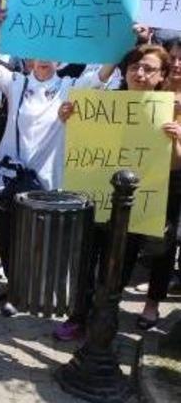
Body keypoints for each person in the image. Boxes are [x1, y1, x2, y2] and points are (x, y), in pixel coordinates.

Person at [0, 19, 106, 316]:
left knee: (41, 243)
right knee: (8, 236)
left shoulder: (69, 87)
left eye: (51, 54)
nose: (44, 60)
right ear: (29, 57)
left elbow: (102, 75)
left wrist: (117, 44)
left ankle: (33, 293)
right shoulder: (17, 82)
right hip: (12, 179)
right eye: (38, 53)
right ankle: (13, 287)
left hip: (47, 181)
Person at [55, 44, 177, 339]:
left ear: (162, 75)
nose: (140, 73)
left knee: (118, 267)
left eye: (149, 68)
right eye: (135, 66)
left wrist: (175, 140)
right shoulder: (106, 102)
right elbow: (81, 139)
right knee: (86, 259)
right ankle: (79, 316)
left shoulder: (171, 110)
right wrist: (67, 116)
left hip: (137, 205)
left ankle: (102, 323)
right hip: (98, 197)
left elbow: (175, 165)